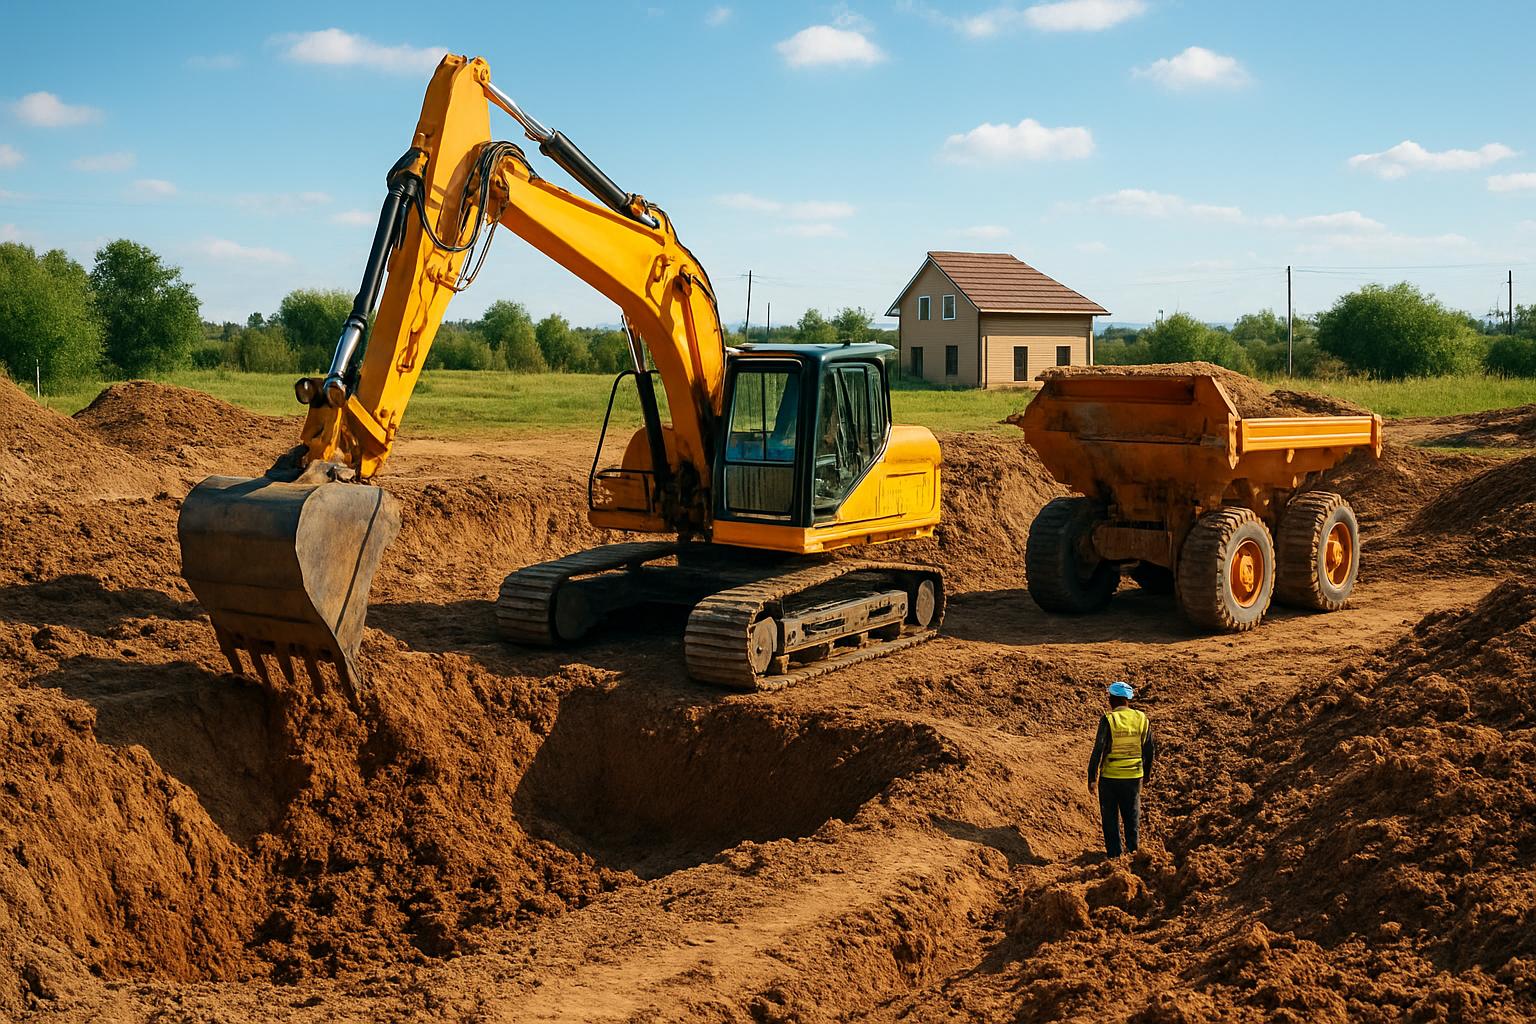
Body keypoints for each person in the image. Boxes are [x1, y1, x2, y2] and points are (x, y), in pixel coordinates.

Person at [1087, 681, 1155, 857]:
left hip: (1110, 778)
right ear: (1128, 699)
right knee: (1132, 816)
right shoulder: (1142, 719)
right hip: (1133, 776)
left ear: (1111, 699)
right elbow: (1149, 749)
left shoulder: (1109, 719)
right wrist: (1146, 774)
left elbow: (1098, 750)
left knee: (1110, 819)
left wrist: (1092, 778)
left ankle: (1115, 856)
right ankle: (1133, 852)